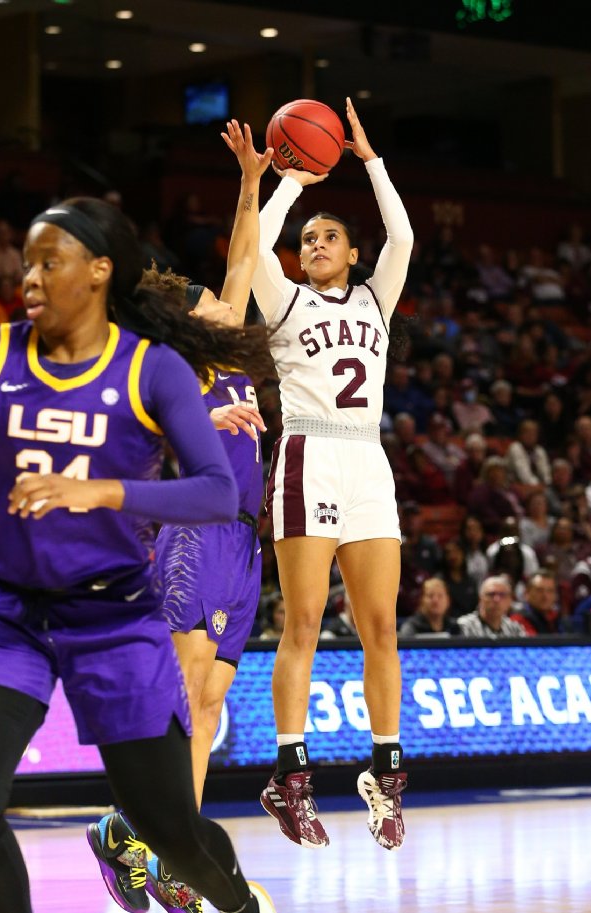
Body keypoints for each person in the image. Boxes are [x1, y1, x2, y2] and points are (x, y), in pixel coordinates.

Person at [0, 133, 276, 913]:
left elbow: (242, 260)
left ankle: (207, 881)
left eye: (51, 260)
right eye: (27, 259)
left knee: (181, 787)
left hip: (149, 589)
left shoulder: (169, 362)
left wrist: (255, 184)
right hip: (15, 608)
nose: (28, 274)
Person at [88, 122, 273, 913]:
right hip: (193, 532)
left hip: (244, 538)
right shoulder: (162, 373)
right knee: (181, 689)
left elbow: (241, 256)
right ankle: (130, 827)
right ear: (183, 318)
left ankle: (176, 848)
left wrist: (249, 181)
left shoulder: (226, 357)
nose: (224, 302)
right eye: (206, 301)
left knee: (208, 704)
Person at [250, 96, 413, 852]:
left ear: (352, 254)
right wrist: (292, 177)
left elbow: (403, 233)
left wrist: (369, 161)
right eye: (308, 237)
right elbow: (251, 244)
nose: (313, 243)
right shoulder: (280, 301)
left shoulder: (377, 298)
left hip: (366, 460)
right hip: (307, 452)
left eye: (327, 237)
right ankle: (290, 773)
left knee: (381, 625)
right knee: (305, 621)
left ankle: (384, 770)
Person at [458, 577, 527, 638]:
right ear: (480, 599)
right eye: (491, 594)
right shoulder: (463, 626)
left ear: (510, 601)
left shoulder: (515, 629)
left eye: (502, 595)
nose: (496, 600)